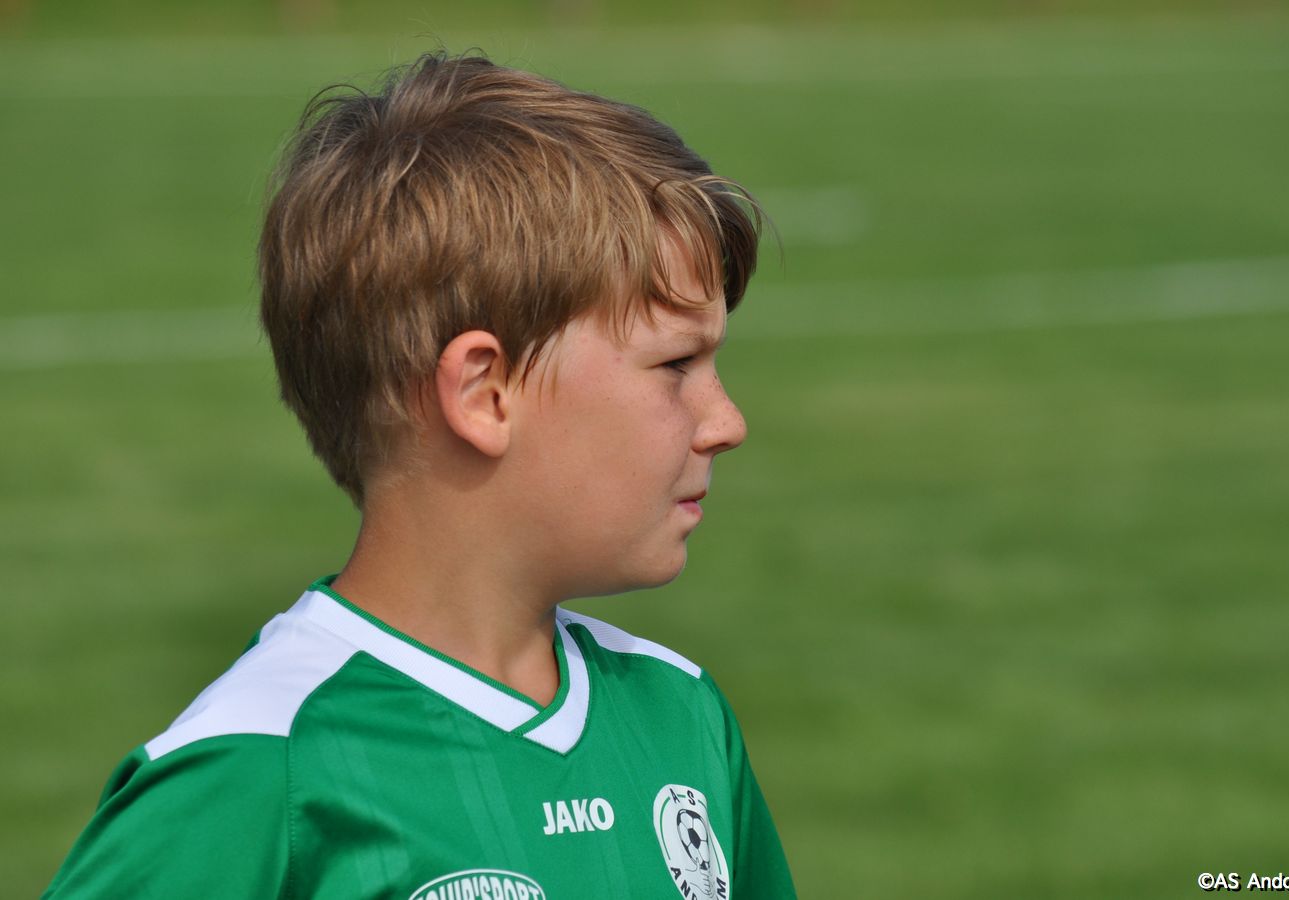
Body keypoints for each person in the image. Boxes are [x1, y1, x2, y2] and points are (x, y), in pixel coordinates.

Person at [44, 51, 796, 899]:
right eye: (675, 365)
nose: (726, 423)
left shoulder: (680, 714)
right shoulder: (257, 769)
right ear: (484, 394)